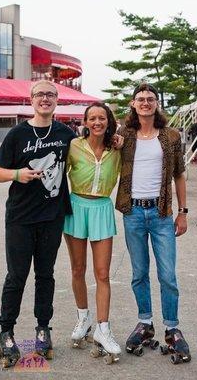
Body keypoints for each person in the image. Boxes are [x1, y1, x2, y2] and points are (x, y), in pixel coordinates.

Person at [0, 80, 76, 368]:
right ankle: (6, 332)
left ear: (57, 100)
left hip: (52, 217)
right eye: (40, 95)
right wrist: (17, 175)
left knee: (45, 275)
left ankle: (43, 328)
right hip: (20, 218)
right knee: (16, 276)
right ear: (32, 99)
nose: (45, 99)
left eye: (51, 94)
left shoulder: (65, 133)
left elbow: (89, 152)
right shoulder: (18, 134)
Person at [116, 83, 191, 363]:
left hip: (161, 215)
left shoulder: (171, 136)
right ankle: (145, 323)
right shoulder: (124, 135)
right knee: (138, 273)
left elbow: (180, 175)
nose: (145, 103)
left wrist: (182, 212)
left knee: (168, 275)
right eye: (140, 99)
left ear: (156, 104)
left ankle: (172, 328)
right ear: (133, 104)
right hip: (132, 212)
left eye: (150, 99)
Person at [64, 102, 122, 361]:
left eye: (102, 118)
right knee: (78, 269)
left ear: (109, 121)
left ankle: (103, 329)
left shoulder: (118, 148)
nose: (97, 122)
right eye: (92, 118)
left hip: (102, 208)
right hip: (76, 206)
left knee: (102, 274)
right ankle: (83, 317)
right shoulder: (73, 146)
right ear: (85, 122)